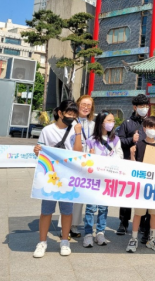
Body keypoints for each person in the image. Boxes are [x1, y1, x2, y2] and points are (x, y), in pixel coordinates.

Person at [32, 100, 83, 258]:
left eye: (74, 115)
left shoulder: (75, 130)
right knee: (46, 211)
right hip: (50, 176)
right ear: (60, 113)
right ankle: (42, 242)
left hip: (68, 176)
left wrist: (78, 133)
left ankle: (64, 241)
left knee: (67, 211)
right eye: (69, 113)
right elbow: (40, 152)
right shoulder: (47, 130)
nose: (71, 117)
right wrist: (37, 150)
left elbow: (78, 153)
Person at [126, 116, 155, 253]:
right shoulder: (138, 145)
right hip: (141, 187)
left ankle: (152, 239)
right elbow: (133, 167)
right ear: (144, 128)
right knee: (138, 213)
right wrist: (132, 155)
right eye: (150, 127)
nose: (153, 130)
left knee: (154, 214)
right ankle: (133, 239)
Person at [82, 111, 123, 248]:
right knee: (90, 208)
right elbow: (85, 160)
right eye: (109, 120)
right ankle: (88, 234)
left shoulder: (115, 140)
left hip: (106, 180)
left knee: (103, 208)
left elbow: (120, 156)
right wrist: (90, 156)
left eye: (113, 121)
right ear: (101, 122)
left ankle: (100, 232)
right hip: (93, 180)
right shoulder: (91, 140)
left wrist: (111, 159)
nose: (112, 123)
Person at [115, 93, 150, 235]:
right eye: (141, 106)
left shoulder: (150, 123)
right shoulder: (127, 123)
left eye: (146, 106)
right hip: (129, 163)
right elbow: (118, 142)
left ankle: (142, 223)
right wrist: (131, 139)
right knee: (127, 193)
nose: (144, 108)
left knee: (143, 194)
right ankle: (123, 223)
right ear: (135, 107)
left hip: (145, 163)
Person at [62, 95, 95, 239]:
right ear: (78, 104)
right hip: (72, 161)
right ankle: (64, 227)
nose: (86, 107)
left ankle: (73, 225)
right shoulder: (71, 121)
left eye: (89, 105)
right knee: (69, 196)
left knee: (79, 196)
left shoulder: (92, 124)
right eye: (83, 104)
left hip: (86, 163)